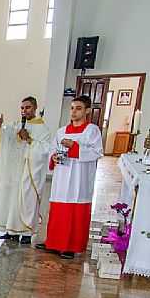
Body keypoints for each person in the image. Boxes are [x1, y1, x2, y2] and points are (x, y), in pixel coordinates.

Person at [36, 96, 103, 259]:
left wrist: (75, 147)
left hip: (80, 178)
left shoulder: (92, 130)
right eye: (72, 108)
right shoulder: (61, 131)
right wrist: (54, 158)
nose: (73, 111)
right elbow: (53, 150)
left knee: (75, 210)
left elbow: (97, 152)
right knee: (58, 209)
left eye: (78, 108)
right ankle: (53, 242)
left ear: (87, 110)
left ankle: (70, 246)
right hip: (62, 176)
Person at [0, 96, 52, 245]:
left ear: (35, 108)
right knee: (11, 200)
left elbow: (44, 150)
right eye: (22, 108)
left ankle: (26, 233)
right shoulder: (16, 124)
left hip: (29, 172)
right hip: (14, 171)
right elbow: (2, 138)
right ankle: (11, 231)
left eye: (28, 107)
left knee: (27, 200)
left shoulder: (43, 129)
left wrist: (29, 140)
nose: (24, 111)